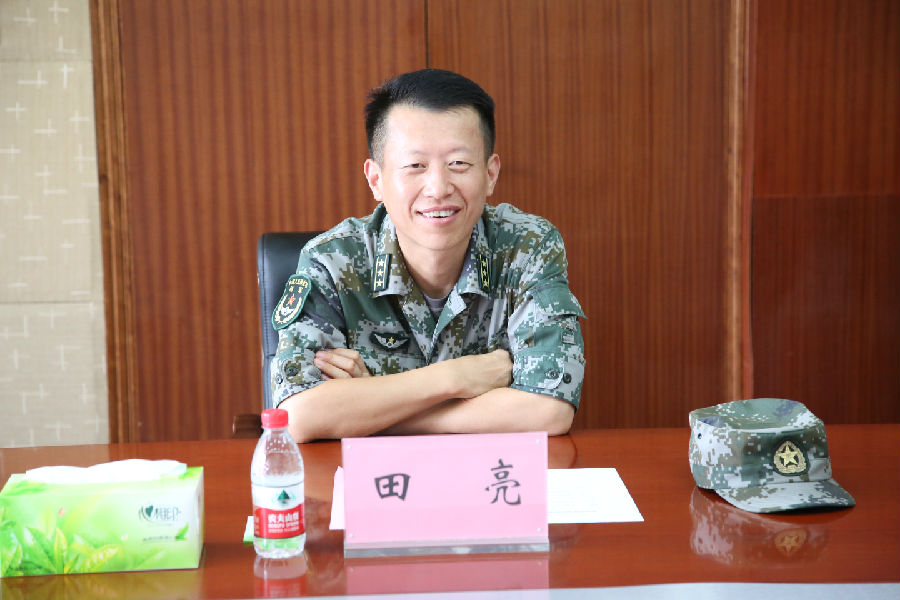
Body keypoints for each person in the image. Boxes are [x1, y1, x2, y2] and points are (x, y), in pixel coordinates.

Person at [271, 69, 585, 442]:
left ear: (490, 174)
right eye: (415, 166)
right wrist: (454, 378)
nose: (437, 188)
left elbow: (550, 409)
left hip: (488, 474)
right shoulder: (332, 260)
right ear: (376, 180)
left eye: (458, 164)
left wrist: (374, 411)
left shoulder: (527, 246)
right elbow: (299, 415)